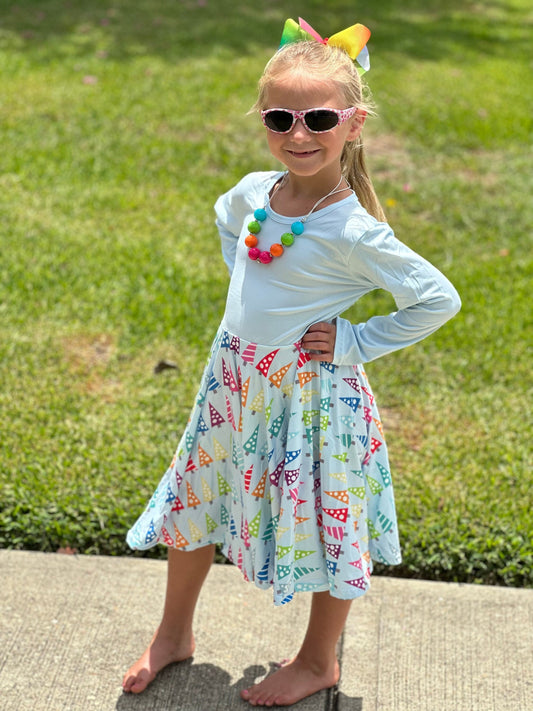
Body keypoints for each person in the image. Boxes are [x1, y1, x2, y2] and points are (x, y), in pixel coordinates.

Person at [122, 17, 461, 707]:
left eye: (318, 118)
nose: (298, 134)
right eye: (280, 117)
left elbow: (436, 297)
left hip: (309, 395)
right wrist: (242, 294)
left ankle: (316, 658)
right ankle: (173, 633)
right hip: (234, 381)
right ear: (263, 121)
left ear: (353, 122)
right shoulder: (255, 192)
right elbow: (227, 220)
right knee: (195, 498)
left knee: (327, 514)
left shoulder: (352, 228)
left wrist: (357, 341)